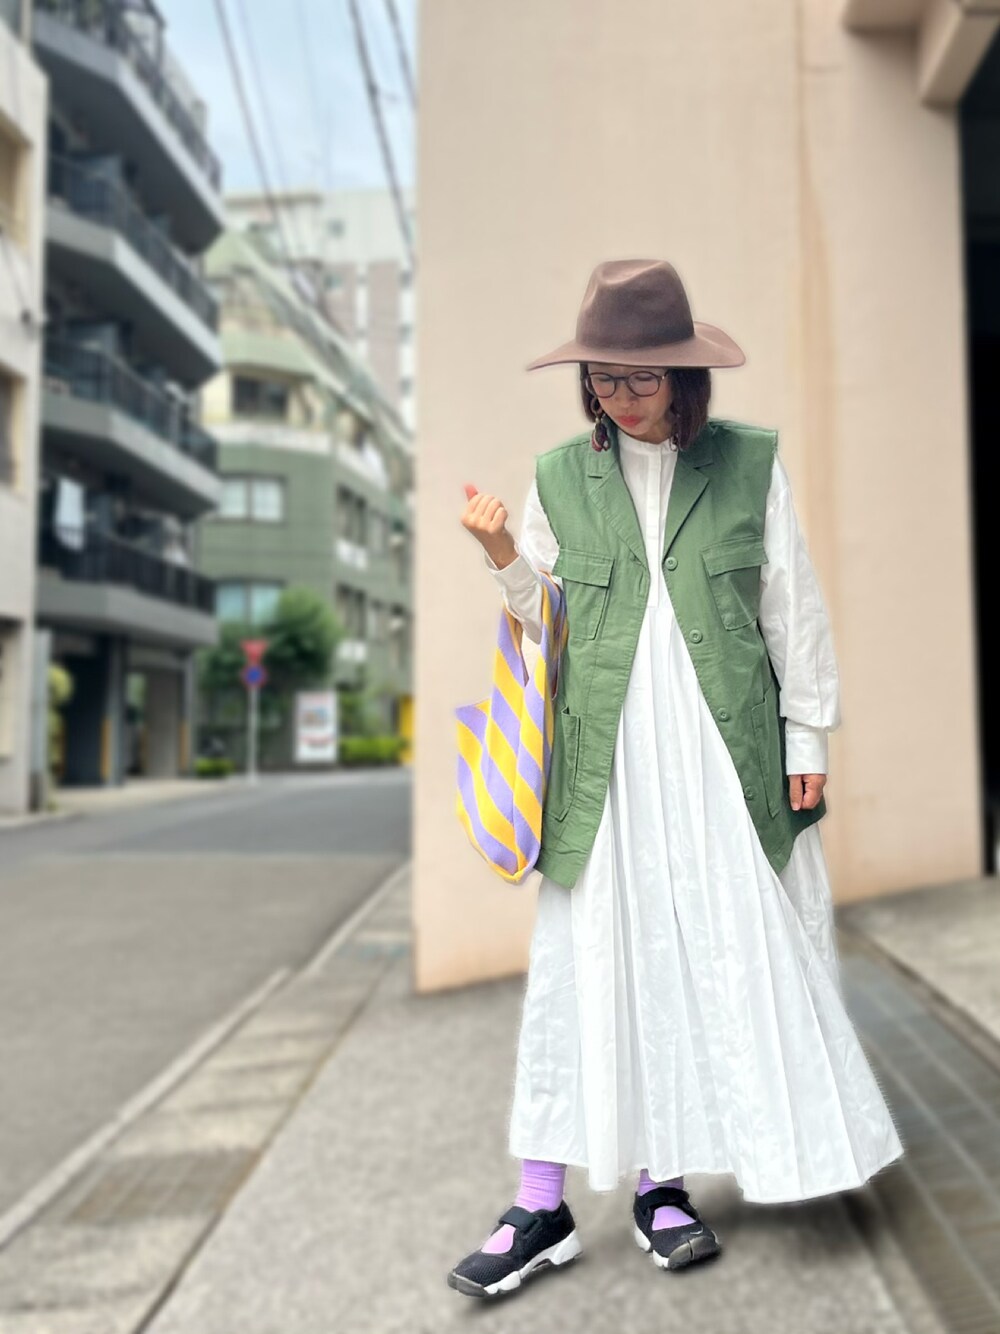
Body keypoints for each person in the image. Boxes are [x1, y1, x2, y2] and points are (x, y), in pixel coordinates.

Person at [448, 259, 904, 1299]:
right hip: (604, 760)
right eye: (601, 377)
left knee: (699, 958)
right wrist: (505, 555)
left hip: (721, 757)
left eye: (639, 377)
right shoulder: (560, 475)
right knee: (584, 961)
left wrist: (806, 740)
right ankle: (539, 1202)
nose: (617, 395)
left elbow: (791, 608)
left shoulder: (748, 464)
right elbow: (548, 624)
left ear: (685, 376)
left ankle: (663, 1189)